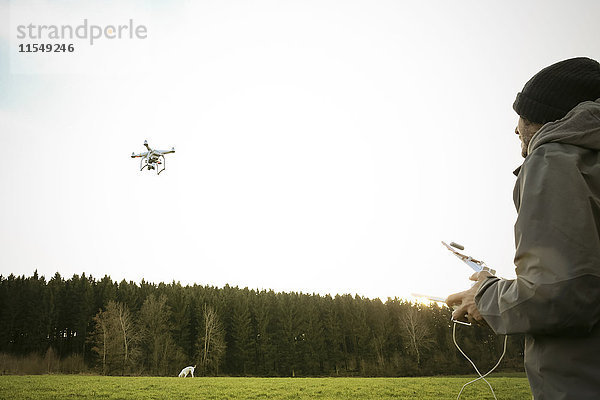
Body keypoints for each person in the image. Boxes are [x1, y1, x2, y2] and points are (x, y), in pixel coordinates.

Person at [446, 57, 600, 400]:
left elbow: (562, 296)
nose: (517, 129)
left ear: (550, 120)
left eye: (525, 117)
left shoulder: (555, 159)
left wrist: (484, 296)